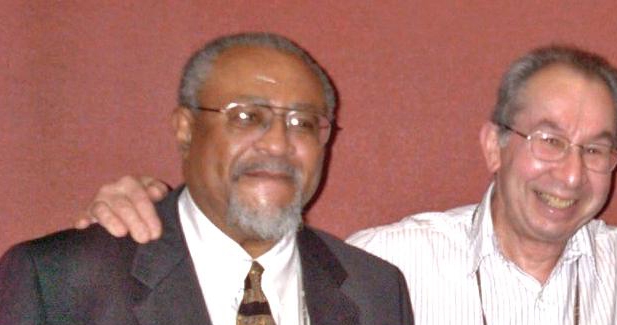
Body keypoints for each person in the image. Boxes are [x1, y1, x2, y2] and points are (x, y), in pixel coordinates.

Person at [75, 46, 617, 325]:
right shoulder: (381, 270)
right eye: (544, 139)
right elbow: (246, 248)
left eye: (598, 149)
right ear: (491, 144)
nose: (570, 174)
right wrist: (158, 205)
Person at [0, 33, 414, 325]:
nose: (277, 143)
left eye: (303, 123)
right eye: (247, 117)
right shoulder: (61, 282)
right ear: (185, 129)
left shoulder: (374, 290)